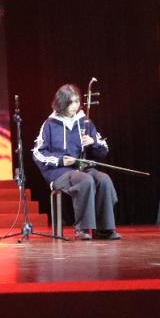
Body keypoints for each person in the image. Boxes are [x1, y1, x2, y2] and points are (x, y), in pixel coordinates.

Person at [32, 83, 119, 240]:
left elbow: (103, 150)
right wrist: (61, 161)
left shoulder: (85, 122)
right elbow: (38, 153)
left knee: (104, 179)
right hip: (59, 172)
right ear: (61, 103)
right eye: (70, 102)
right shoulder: (49, 125)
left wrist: (93, 143)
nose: (74, 106)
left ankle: (105, 229)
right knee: (85, 180)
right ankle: (82, 229)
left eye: (77, 101)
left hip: (82, 168)